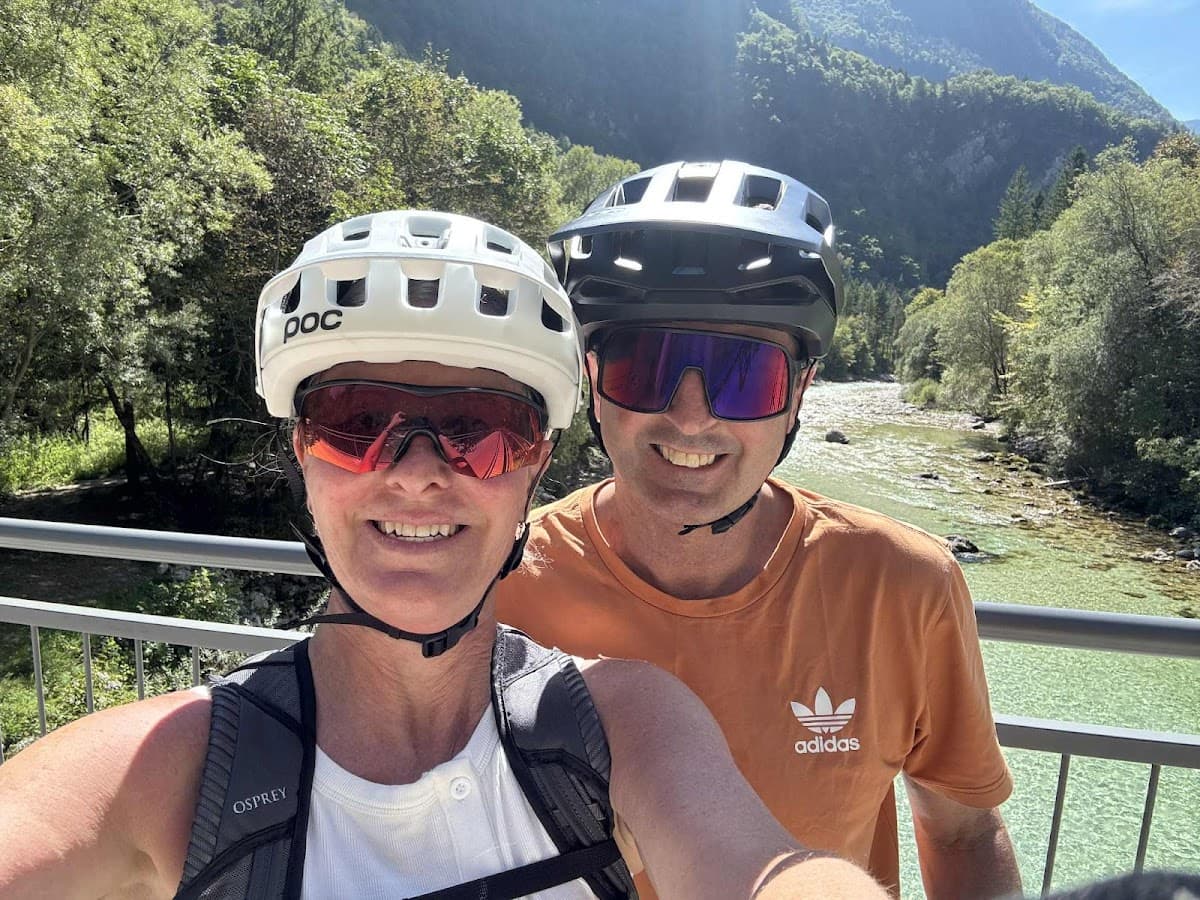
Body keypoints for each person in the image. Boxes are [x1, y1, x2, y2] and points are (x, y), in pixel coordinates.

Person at [0, 210, 889, 900]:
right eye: (356, 425)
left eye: (479, 430)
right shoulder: (175, 766)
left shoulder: (623, 724)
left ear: (535, 463)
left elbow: (768, 872)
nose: (418, 475)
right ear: (302, 454)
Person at [494, 160, 1022, 899]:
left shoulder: (904, 585)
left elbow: (964, 832)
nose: (690, 416)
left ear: (799, 393)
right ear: (591, 377)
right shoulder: (499, 580)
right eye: (646, 366)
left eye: (743, 374)